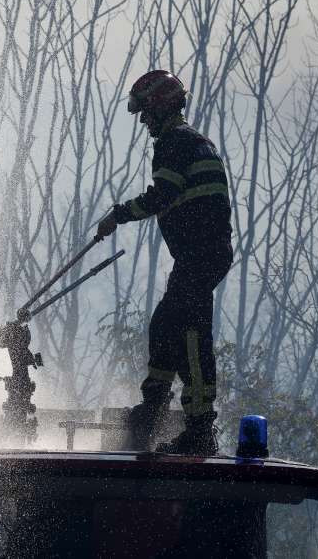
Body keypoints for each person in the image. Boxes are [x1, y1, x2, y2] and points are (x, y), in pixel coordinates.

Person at [97, 69, 233, 455]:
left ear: (158, 106)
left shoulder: (173, 143)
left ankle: (200, 427)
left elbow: (163, 195)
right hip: (203, 254)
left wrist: (118, 215)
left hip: (199, 254)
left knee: (190, 333)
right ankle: (154, 405)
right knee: (165, 324)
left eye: (145, 112)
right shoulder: (195, 141)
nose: (143, 121)